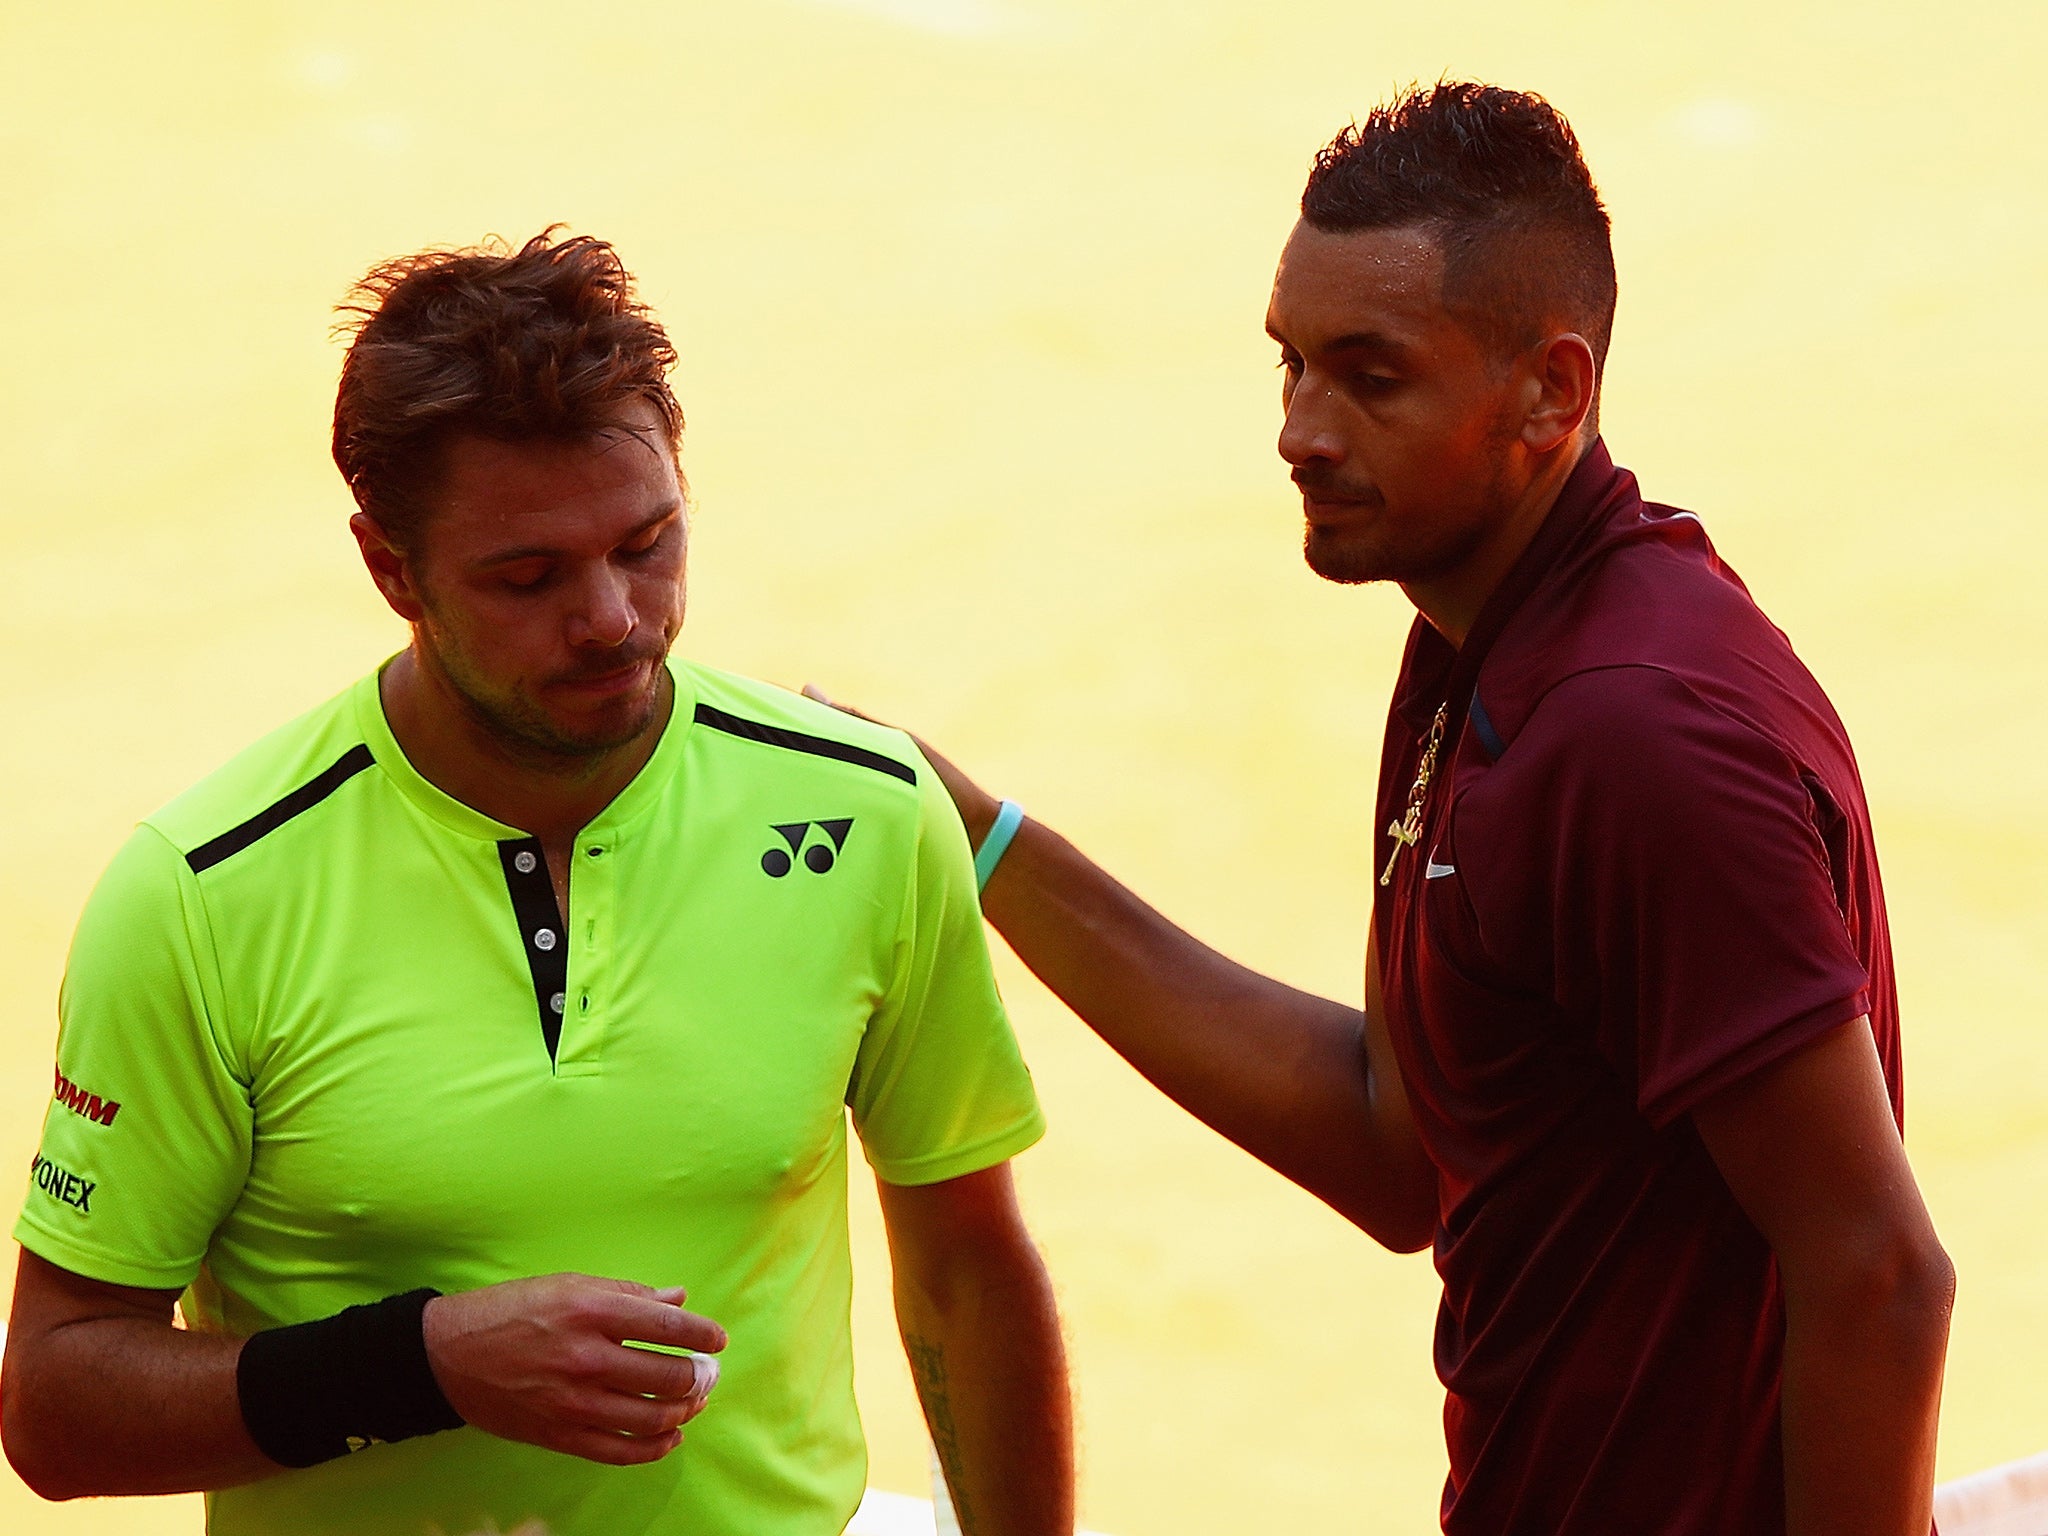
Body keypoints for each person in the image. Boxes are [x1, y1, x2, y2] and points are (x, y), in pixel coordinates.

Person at [878, 83, 1954, 1535]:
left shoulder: (1637, 736)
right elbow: (1402, 1149)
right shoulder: (1476, 645)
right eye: (1291, 364)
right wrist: (981, 841)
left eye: (1370, 379)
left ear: (1551, 395)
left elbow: (1881, 1272)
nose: (1299, 433)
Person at [2, 231, 1072, 1536]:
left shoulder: (861, 810)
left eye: (651, 540)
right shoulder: (201, 893)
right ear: (390, 570)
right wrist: (422, 1366)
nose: (617, 615)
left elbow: (964, 1270)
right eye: (529, 577)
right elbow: (55, 1402)